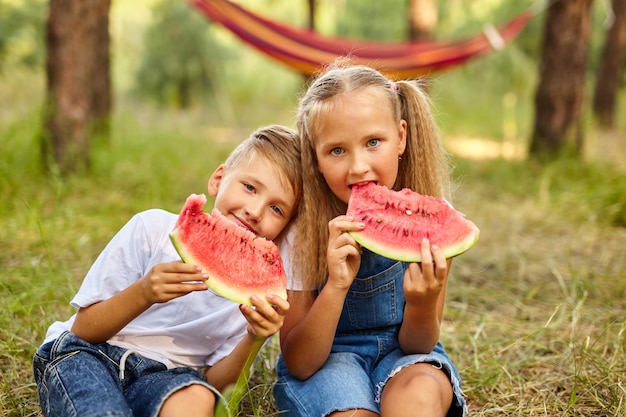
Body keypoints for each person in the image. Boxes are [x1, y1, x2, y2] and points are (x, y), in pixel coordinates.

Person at [33, 125, 302, 417]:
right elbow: (83, 330)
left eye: (277, 209)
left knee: (198, 398)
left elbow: (217, 384)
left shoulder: (255, 296)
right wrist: (144, 292)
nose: (255, 210)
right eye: (249, 188)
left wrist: (254, 337)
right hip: (88, 355)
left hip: (165, 378)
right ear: (218, 179)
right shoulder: (152, 229)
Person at [273, 61, 467, 417]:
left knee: (420, 399)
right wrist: (335, 286)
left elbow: (418, 344)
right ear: (315, 158)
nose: (358, 166)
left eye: (373, 142)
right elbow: (300, 362)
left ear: (401, 138)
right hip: (328, 361)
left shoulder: (430, 224)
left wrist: (423, 303)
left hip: (405, 357)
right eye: (336, 150)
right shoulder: (301, 234)